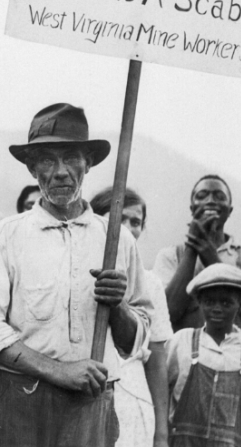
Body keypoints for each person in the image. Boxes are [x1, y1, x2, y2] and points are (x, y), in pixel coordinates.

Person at [0, 103, 154, 447]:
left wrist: (119, 306)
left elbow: (137, 340)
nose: (61, 171)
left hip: (90, 408)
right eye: (48, 160)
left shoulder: (116, 239)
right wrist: (60, 371)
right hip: (18, 403)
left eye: (71, 158)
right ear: (32, 168)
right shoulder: (7, 235)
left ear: (89, 163)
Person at [165, 264, 241, 447]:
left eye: (226, 303)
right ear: (199, 302)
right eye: (210, 302)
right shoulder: (182, 341)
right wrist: (161, 430)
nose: (217, 309)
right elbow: (159, 389)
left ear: (240, 304)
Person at [90, 187, 172, 447]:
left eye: (135, 222)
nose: (126, 228)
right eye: (118, 217)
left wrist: (161, 432)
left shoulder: (150, 284)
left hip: (134, 400)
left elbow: (157, 360)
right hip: (85, 397)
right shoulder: (77, 272)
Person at [153, 175, 241, 332]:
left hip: (234, 355)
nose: (211, 200)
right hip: (185, 355)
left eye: (219, 197)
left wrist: (212, 260)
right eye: (202, 196)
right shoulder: (170, 256)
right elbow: (166, 313)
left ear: (229, 210)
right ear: (192, 208)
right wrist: (192, 247)